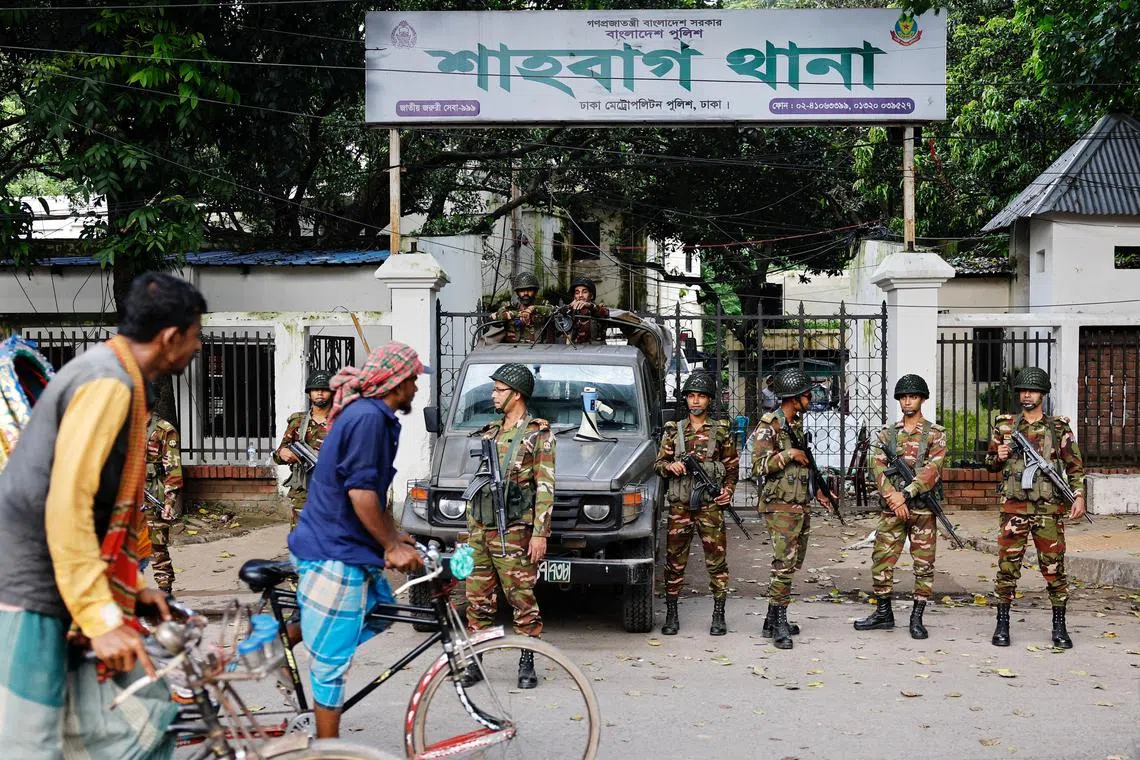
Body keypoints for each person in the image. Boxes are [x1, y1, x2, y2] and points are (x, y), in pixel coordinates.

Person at [0, 272, 205, 759]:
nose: (197, 348)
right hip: (32, 588)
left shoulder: (112, 373)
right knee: (31, 745)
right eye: (196, 336)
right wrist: (100, 618)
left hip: (70, 583)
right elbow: (68, 503)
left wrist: (134, 589)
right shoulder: (108, 383)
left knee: (144, 726)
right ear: (171, 337)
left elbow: (95, 512)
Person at [288, 342, 427, 739]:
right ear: (396, 382)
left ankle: (283, 638)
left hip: (342, 543)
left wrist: (394, 534)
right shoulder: (368, 418)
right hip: (333, 550)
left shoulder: (372, 415)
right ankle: (328, 749)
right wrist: (391, 546)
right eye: (413, 379)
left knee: (381, 609)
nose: (416, 387)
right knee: (331, 663)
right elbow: (361, 493)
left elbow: (371, 492)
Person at [463, 363, 555, 690]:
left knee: (521, 597)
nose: (493, 395)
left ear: (517, 394)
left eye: (499, 390)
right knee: (478, 598)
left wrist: (540, 534)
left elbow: (545, 487)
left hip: (514, 530)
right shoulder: (490, 431)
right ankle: (475, 660)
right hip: (480, 529)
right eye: (494, 389)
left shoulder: (537, 433)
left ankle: (527, 660)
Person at [985, 366, 1085, 649]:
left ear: (1042, 393)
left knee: (1054, 569)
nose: (1026, 395)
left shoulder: (1058, 428)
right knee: (1007, 568)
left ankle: (1059, 626)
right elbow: (990, 464)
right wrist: (999, 455)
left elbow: (1074, 467)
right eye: (1023, 391)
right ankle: (1002, 625)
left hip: (1048, 510)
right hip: (1013, 509)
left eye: (1032, 390)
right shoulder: (1005, 426)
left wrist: (1078, 496)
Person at [855, 374, 947, 639]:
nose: (908, 401)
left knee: (924, 565)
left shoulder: (936, 434)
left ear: (923, 399)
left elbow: (933, 469)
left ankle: (917, 618)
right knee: (881, 560)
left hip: (922, 510)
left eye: (913, 396)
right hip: (892, 508)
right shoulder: (887, 434)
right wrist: (893, 497)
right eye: (904, 397)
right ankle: (883, 613)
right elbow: (877, 466)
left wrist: (905, 494)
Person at [748, 367, 831, 650]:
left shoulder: (794, 424)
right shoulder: (769, 426)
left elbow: (805, 467)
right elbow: (757, 466)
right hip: (779, 505)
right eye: (807, 395)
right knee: (783, 565)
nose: (811, 398)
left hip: (798, 504)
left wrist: (818, 490)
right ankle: (780, 622)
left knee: (793, 563)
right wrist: (788, 454)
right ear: (795, 398)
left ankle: (770, 619)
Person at [655, 372, 738, 637]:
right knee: (674, 561)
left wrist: (727, 491)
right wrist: (671, 466)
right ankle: (671, 612)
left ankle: (719, 613)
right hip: (680, 508)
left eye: (700, 396)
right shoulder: (673, 430)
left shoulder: (721, 431)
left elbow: (731, 468)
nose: (695, 401)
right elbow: (657, 465)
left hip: (710, 507)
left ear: (709, 400)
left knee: (717, 561)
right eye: (691, 396)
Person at [273, 370, 333, 528]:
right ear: (309, 394)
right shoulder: (298, 421)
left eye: (325, 389)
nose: (320, 392)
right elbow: (279, 454)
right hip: (303, 492)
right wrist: (283, 453)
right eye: (315, 389)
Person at [145, 410, 183, 594]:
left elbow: (173, 469)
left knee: (157, 546)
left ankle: (164, 591)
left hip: (154, 492)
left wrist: (169, 501)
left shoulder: (164, 430)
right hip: (127, 493)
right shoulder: (123, 424)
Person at [493, 272, 554, 344]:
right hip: (512, 348)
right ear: (517, 292)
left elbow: (552, 310)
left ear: (535, 291)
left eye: (529, 290)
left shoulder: (542, 303)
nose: (525, 293)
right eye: (522, 290)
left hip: (538, 348)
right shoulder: (510, 305)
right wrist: (518, 314)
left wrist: (533, 308)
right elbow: (499, 316)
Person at [562, 275, 610, 345]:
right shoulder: (570, 312)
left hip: (596, 352)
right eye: (577, 292)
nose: (580, 295)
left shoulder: (598, 309)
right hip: (575, 352)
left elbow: (602, 312)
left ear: (591, 295)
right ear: (574, 296)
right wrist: (568, 308)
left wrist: (588, 305)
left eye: (584, 292)